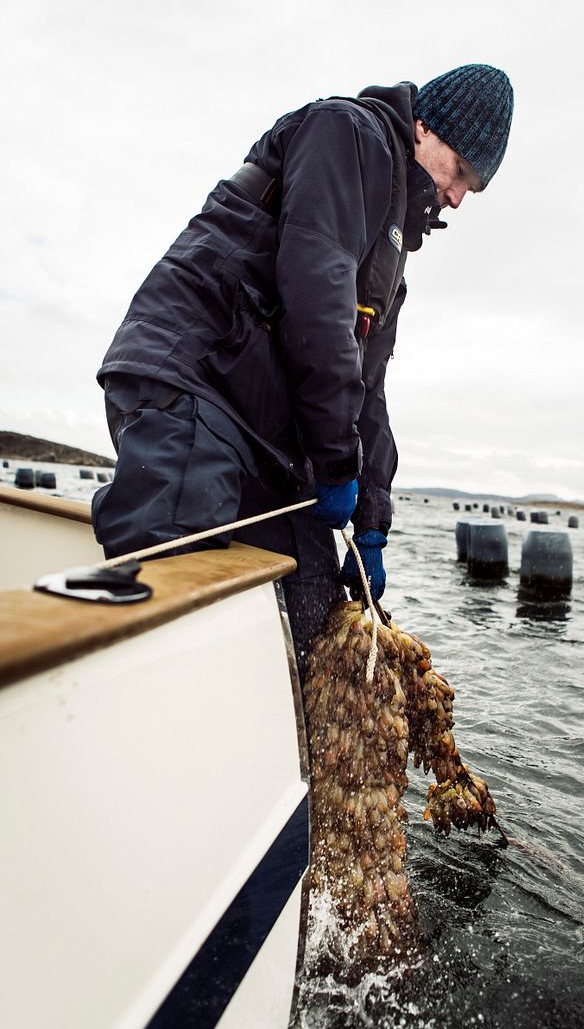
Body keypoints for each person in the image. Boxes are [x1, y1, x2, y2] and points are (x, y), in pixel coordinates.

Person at [92, 64, 514, 677]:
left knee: (314, 597)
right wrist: (337, 465)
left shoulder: (390, 255)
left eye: (473, 188)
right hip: (199, 378)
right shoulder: (348, 136)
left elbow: (368, 390)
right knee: (173, 591)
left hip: (264, 428)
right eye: (462, 173)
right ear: (424, 126)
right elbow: (315, 299)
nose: (457, 197)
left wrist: (371, 517)